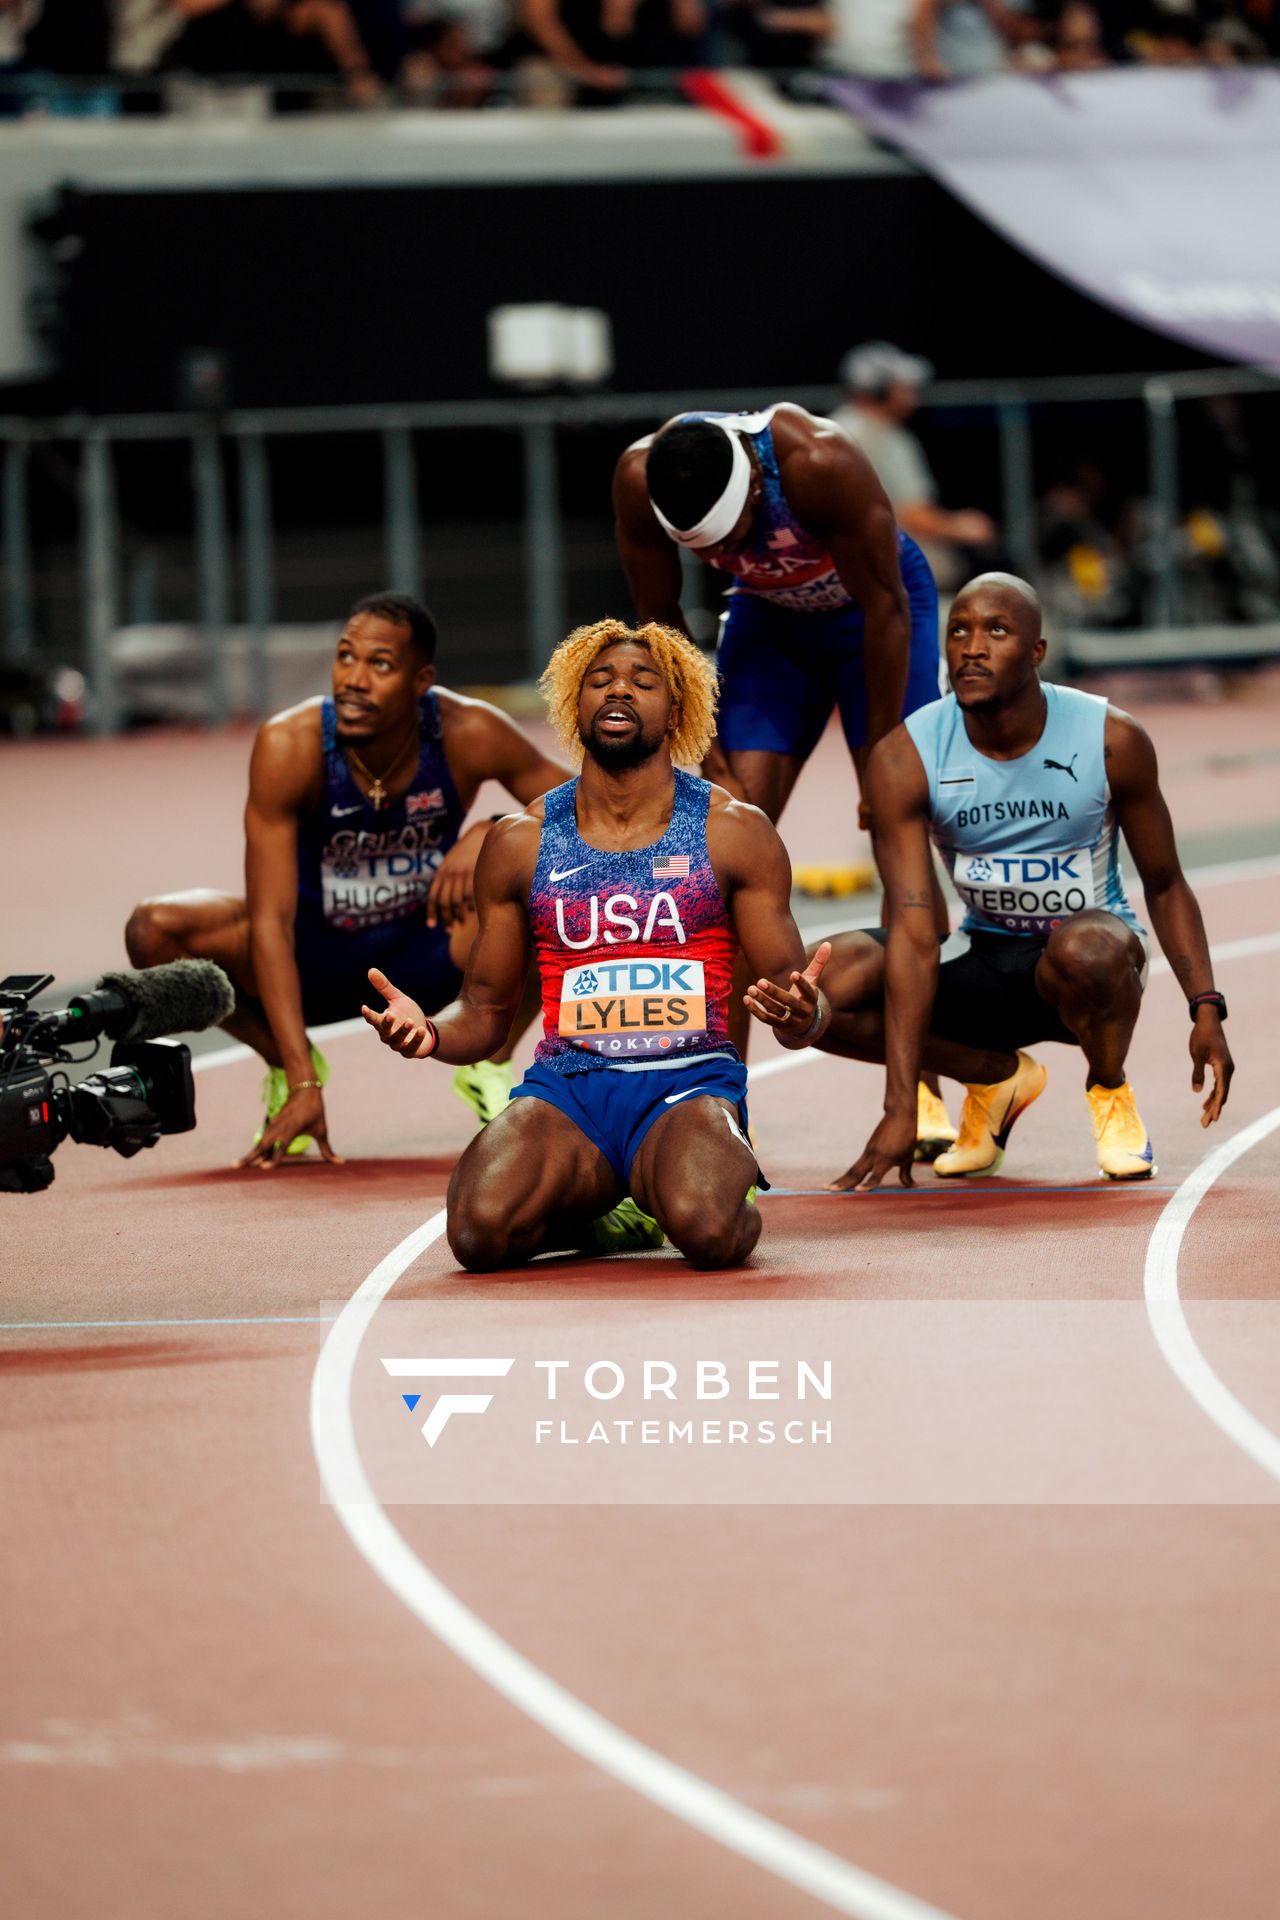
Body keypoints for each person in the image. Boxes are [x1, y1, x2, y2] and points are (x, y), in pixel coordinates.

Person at [362, 618, 832, 1272]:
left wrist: (808, 1015)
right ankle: (609, 1212)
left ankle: (693, 1175)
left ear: (675, 712)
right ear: (573, 704)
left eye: (644, 683)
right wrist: (431, 1035)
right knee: (477, 1234)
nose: (619, 692)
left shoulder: (733, 833)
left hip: (687, 1084)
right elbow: (488, 1015)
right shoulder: (521, 841)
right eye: (600, 681)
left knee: (711, 1231)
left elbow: (791, 1001)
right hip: (570, 1089)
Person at [746, 574, 1234, 1188]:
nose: (971, 647)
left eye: (996, 631)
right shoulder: (907, 754)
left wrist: (1206, 1007)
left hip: (1085, 964)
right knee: (812, 988)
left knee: (1087, 949)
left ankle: (1109, 1089)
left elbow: (1164, 883)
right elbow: (916, 927)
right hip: (983, 953)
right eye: (958, 631)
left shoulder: (1110, 739)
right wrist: (901, 1105)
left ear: (1036, 652)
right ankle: (994, 1075)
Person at [613, 398, 956, 1158]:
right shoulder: (639, 477)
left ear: (754, 493)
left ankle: (924, 1083)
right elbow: (659, 614)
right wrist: (697, 739)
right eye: (712, 548)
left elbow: (888, 609)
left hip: (877, 617)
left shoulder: (820, 464)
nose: (730, 549)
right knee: (719, 846)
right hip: (770, 630)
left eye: (733, 537)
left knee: (902, 836)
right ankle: (721, 1102)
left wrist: (884, 754)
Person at [125, 592, 569, 1165]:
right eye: (345, 657)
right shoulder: (290, 744)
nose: (354, 679)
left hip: (429, 949)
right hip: (312, 954)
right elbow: (270, 922)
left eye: (379, 664)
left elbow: (587, 809)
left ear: (420, 679)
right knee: (154, 930)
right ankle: (287, 1066)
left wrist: (493, 828)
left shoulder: (469, 731)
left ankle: (490, 1058)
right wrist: (305, 1077)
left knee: (546, 882)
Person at [832, 341, 997, 591]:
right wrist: (961, 525)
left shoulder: (828, 428)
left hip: (830, 563)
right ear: (879, 390)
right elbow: (914, 516)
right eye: (903, 387)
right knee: (958, 560)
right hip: (880, 566)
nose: (912, 395)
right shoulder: (887, 439)